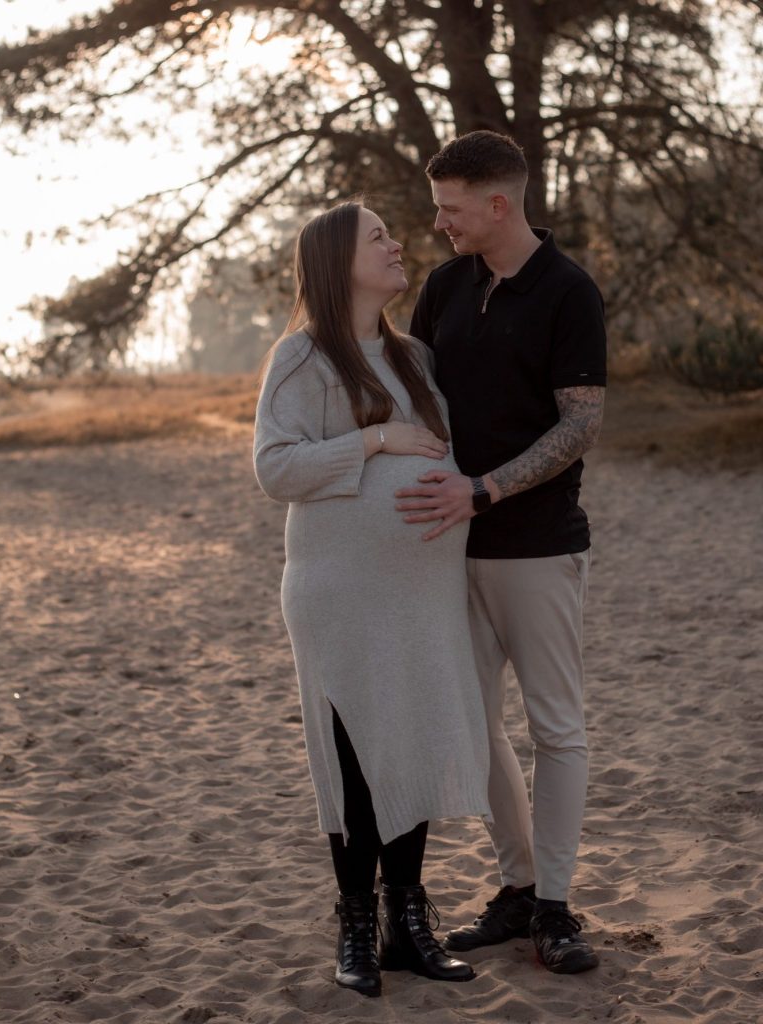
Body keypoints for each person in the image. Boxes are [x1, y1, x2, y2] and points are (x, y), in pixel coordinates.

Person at [253, 200, 493, 998]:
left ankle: (408, 923)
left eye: (393, 234)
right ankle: (357, 923)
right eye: (378, 237)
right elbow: (276, 468)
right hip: (340, 590)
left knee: (412, 739)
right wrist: (377, 440)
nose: (397, 246)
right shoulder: (301, 358)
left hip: (420, 590)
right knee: (357, 750)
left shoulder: (415, 357)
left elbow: (451, 451)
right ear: (335, 262)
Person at [396, 130, 607, 975]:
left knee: (556, 726)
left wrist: (484, 489)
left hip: (537, 547)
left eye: (450, 208)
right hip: (448, 550)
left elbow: (581, 423)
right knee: (476, 729)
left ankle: (555, 907)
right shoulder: (445, 288)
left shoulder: (568, 292)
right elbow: (415, 403)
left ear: (498, 204)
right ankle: (517, 888)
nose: (439, 223)